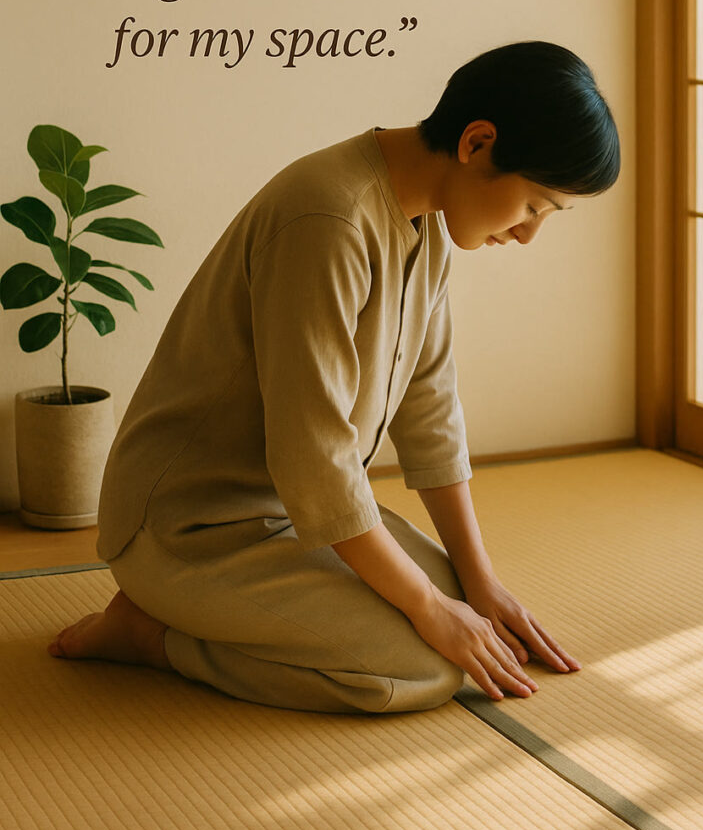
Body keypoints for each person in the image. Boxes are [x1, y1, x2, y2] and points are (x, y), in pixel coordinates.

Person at [48, 40, 620, 714]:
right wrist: (427, 608)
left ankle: (197, 615)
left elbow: (430, 412)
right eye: (534, 206)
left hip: (290, 515)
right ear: (477, 143)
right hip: (188, 526)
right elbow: (314, 461)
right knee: (420, 667)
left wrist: (480, 581)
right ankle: (152, 636)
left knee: (464, 611)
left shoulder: (427, 221)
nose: (527, 234)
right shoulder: (328, 218)